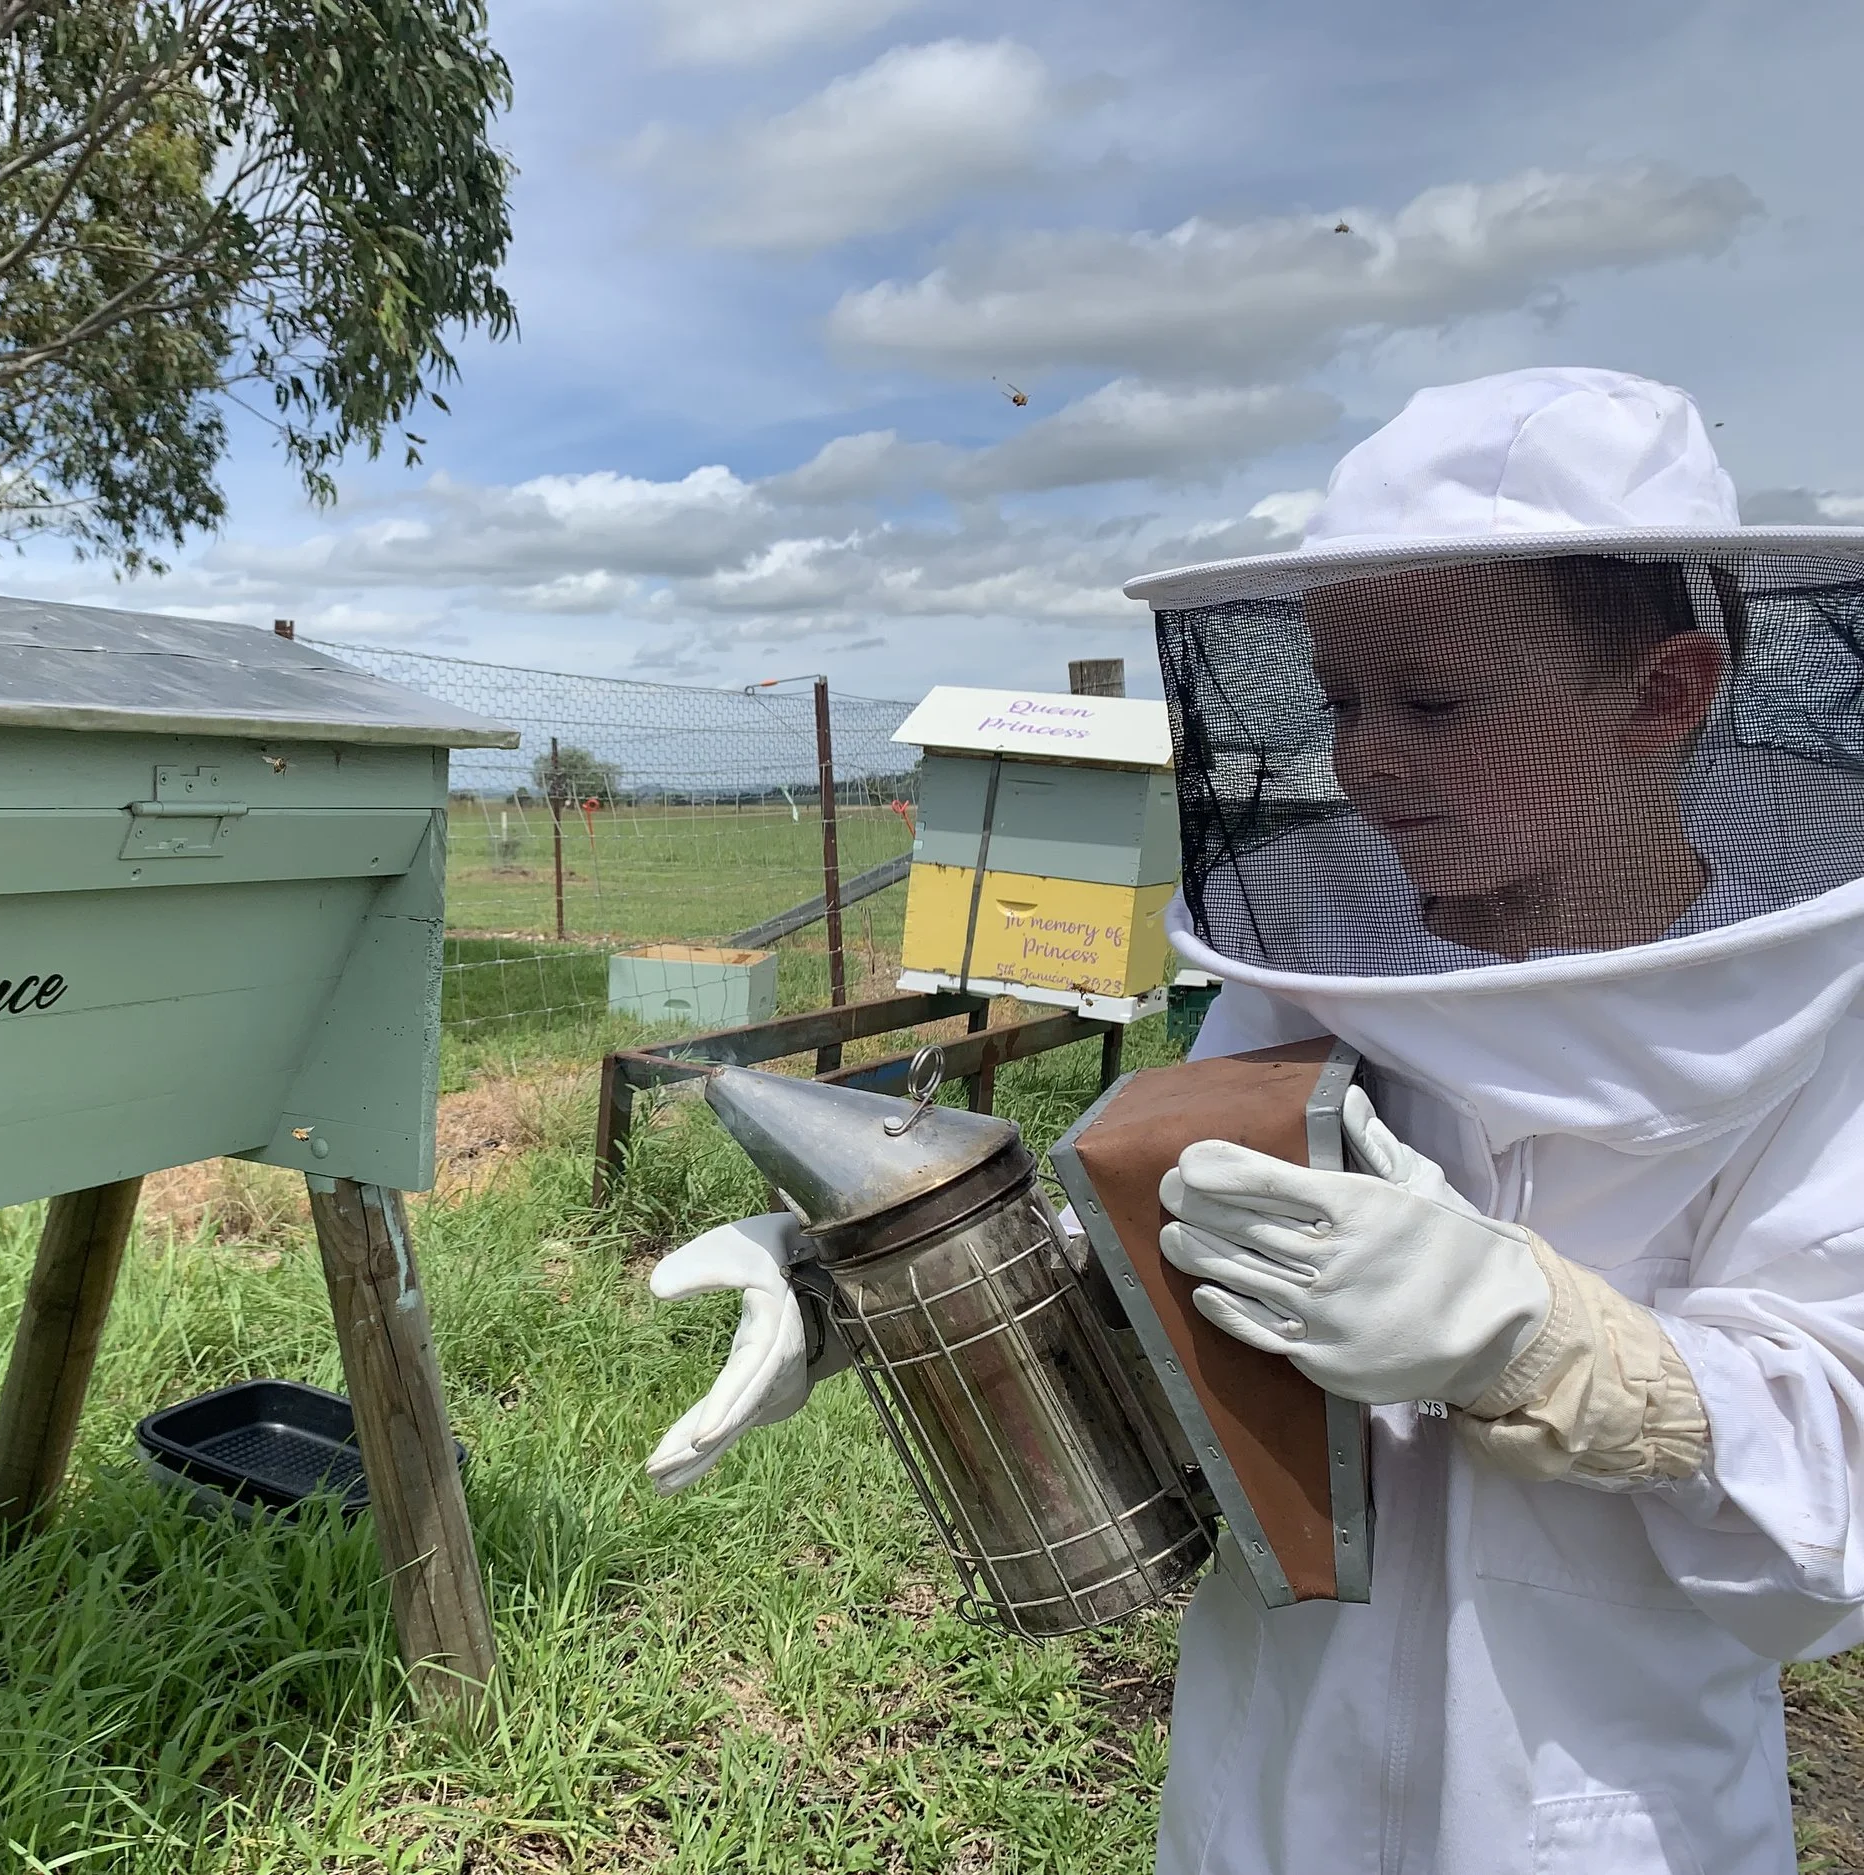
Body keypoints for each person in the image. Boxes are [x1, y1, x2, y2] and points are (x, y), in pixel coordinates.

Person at [643, 366, 1864, 1874]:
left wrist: (1543, 1342)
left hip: (1602, 1813)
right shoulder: (1313, 970)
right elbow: (1161, 1276)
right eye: (1343, 697)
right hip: (1272, 1788)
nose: (1366, 756)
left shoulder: (1821, 1029)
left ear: (1662, 694)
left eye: (1434, 700)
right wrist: (883, 1275)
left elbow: (1832, 1531)